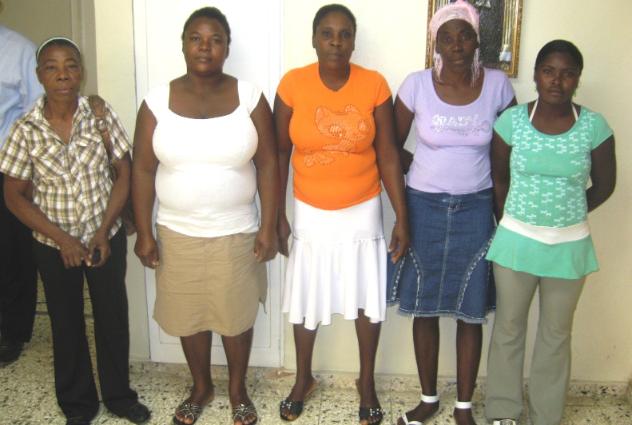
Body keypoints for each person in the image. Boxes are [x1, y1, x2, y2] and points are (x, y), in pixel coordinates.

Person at [132, 7, 278, 425]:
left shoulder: (250, 97)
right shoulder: (155, 102)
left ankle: (237, 390)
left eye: (215, 40)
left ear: (227, 48)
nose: (205, 47)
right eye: (196, 38)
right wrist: (144, 232)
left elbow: (269, 164)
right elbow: (142, 169)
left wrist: (268, 226)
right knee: (189, 314)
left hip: (236, 231)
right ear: (183, 45)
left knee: (235, 316)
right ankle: (201, 387)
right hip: (177, 232)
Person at [0, 37, 150, 425]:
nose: (62, 74)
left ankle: (119, 397)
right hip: (53, 245)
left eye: (70, 65)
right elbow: (14, 196)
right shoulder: (24, 129)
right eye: (52, 67)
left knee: (112, 317)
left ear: (81, 72)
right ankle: (78, 404)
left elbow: (124, 172)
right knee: (66, 323)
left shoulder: (99, 115)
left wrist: (103, 230)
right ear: (39, 75)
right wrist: (62, 239)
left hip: (104, 236)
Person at [275, 4, 409, 425]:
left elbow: (388, 154)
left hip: (362, 209)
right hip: (310, 210)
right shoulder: (292, 84)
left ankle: (366, 383)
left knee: (367, 297)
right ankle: (303, 379)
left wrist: (402, 217)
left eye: (345, 34)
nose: (336, 41)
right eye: (327, 33)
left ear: (353, 41)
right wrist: (276, 215)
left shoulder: (374, 85)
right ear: (314, 39)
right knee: (307, 297)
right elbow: (278, 155)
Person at [387, 1, 516, 424]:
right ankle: (428, 399)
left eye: (465, 36)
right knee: (424, 306)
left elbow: (510, 151)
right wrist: (417, 179)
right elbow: (390, 148)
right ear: (436, 44)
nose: (456, 44)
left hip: (477, 209)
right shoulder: (415, 85)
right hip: (422, 206)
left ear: (477, 40)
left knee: (470, 310)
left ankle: (463, 406)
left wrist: (505, 213)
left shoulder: (498, 86)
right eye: (447, 37)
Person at [484, 40, 616, 425]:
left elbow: (605, 185)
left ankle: (546, 416)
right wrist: (515, 218)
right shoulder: (511, 123)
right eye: (548, 71)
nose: (557, 80)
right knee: (508, 329)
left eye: (567, 73)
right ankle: (504, 412)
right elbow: (498, 179)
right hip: (515, 245)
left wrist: (566, 213)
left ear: (578, 79)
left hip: (569, 248)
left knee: (556, 335)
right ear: (536, 75)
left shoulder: (594, 127)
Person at [0, 18, 43, 365]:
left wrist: (27, 173)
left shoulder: (19, 50)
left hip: (6, 167)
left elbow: (36, 112)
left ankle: (12, 331)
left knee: (11, 253)